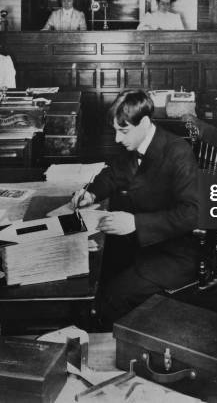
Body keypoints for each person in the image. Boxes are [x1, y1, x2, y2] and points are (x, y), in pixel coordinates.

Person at [71, 90, 199, 326]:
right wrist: (91, 193)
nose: (118, 139)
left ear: (145, 123)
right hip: (143, 245)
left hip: (173, 255)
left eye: (124, 131)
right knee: (92, 276)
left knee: (109, 297)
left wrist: (135, 223)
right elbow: (113, 174)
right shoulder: (136, 145)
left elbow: (192, 213)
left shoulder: (178, 152)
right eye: (116, 131)